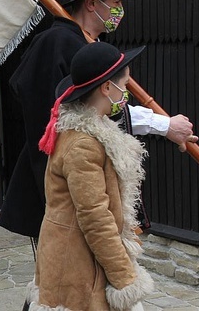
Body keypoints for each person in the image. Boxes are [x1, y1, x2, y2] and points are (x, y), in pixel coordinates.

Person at [0, 0, 197, 242]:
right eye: (116, 2)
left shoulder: (91, 46)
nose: (120, 10)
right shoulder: (56, 43)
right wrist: (164, 125)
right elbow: (61, 116)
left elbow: (107, 109)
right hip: (66, 180)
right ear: (92, 3)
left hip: (89, 177)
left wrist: (165, 126)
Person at [28, 41, 154, 310]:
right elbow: (95, 217)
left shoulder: (91, 133)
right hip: (76, 266)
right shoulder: (83, 144)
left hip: (79, 257)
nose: (126, 92)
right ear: (107, 88)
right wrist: (124, 277)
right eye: (125, 84)